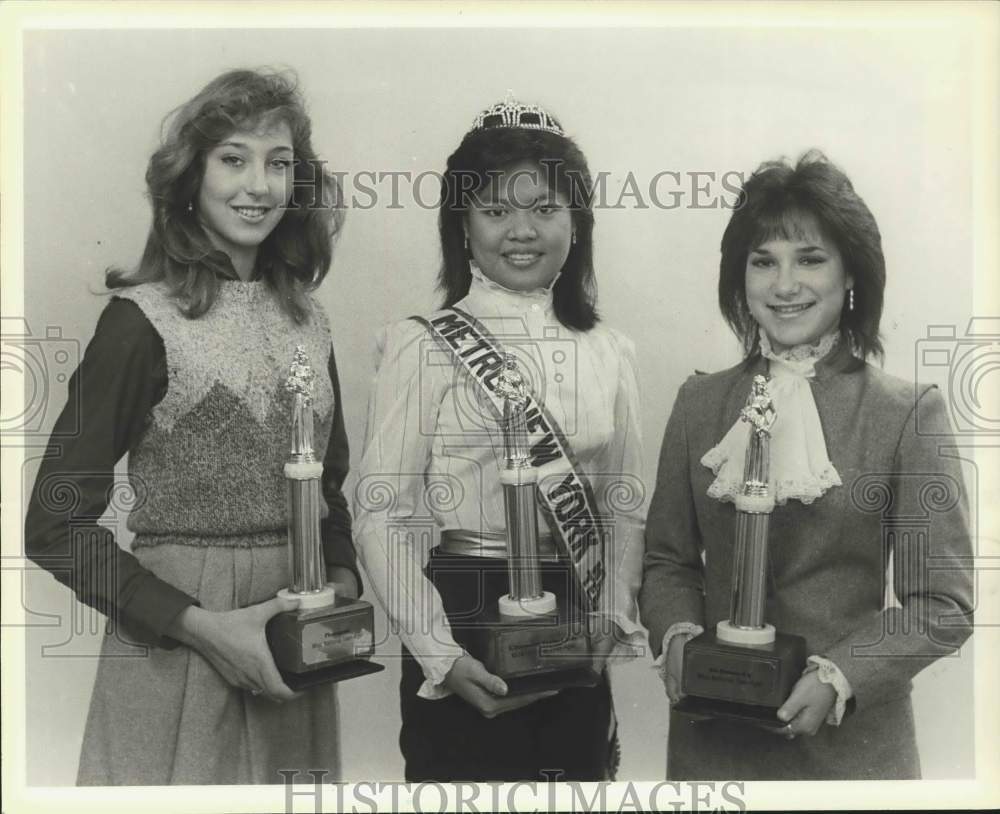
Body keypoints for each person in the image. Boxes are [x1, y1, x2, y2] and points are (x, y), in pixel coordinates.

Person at [24, 68, 360, 785]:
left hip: (292, 644)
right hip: (179, 645)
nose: (258, 187)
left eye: (278, 164)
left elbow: (331, 487)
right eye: (233, 159)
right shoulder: (138, 322)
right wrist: (202, 626)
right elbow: (53, 526)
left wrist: (339, 581)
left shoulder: (312, 321)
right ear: (191, 177)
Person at [638, 151, 975, 780]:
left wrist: (841, 677)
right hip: (715, 752)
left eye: (810, 259)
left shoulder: (907, 413)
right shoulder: (698, 403)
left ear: (852, 274)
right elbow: (667, 562)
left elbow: (943, 603)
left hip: (852, 754)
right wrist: (678, 638)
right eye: (763, 262)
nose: (784, 285)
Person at [353, 97, 646, 781]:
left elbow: (625, 502)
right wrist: (438, 654)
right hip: (462, 609)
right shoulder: (421, 345)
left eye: (544, 209)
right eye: (495, 210)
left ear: (577, 223)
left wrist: (611, 613)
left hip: (577, 605)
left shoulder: (609, 350)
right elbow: (380, 512)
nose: (522, 231)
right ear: (461, 225)